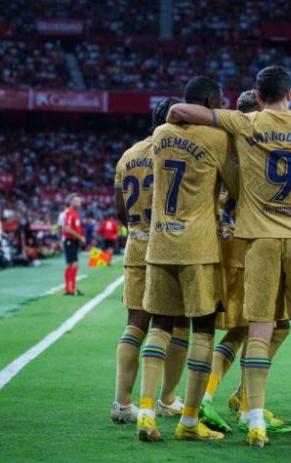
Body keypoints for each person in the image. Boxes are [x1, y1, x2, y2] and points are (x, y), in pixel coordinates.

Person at [167, 65, 291, 447]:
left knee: (259, 329)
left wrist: (173, 117)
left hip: (259, 241)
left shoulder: (244, 122)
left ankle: (254, 422)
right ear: (290, 94)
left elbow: (182, 110)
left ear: (257, 94)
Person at [136, 77, 235, 442]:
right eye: (218, 103)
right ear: (209, 102)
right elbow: (236, 188)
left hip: (161, 242)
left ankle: (145, 412)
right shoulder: (216, 137)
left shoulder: (161, 134)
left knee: (160, 326)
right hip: (198, 246)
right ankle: (189, 422)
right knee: (203, 329)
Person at [199, 89, 291, 435]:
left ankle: (220, 397)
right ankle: (244, 404)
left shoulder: (222, 143)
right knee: (271, 326)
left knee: (243, 329)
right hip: (249, 247)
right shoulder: (256, 146)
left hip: (225, 244)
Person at [110, 98, 191, 425]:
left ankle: (121, 403)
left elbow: (120, 210)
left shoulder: (128, 155)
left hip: (137, 244)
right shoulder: (177, 152)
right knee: (177, 323)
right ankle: (167, 399)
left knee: (135, 322)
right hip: (170, 246)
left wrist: (139, 231)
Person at [62, 194, 85, 296]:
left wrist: (79, 238)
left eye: (79, 201)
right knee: (74, 264)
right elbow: (67, 228)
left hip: (73, 241)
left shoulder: (75, 213)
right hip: (70, 241)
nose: (78, 203)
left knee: (69, 265)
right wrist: (80, 237)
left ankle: (68, 288)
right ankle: (72, 289)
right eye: (76, 201)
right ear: (71, 202)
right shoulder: (69, 213)